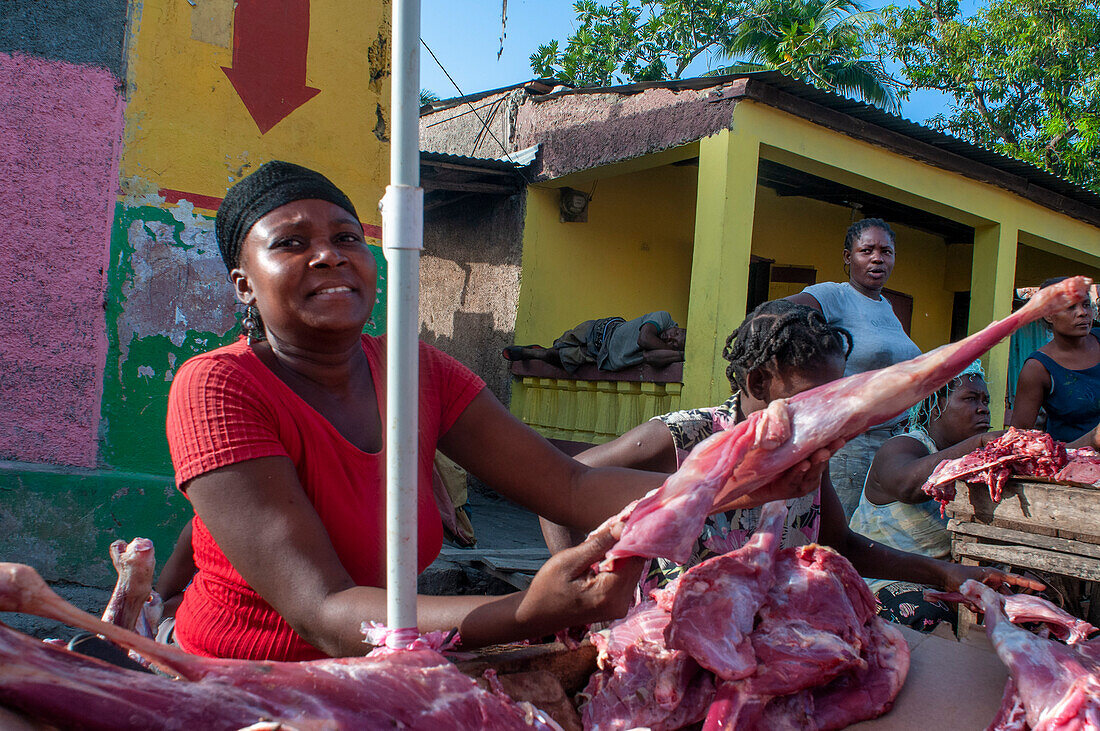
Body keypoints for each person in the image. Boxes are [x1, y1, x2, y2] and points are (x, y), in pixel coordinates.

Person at [164, 161, 832, 662]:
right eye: (290, 243)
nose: (328, 254)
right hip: (244, 678)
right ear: (243, 283)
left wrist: (738, 485)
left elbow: (569, 485)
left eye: (346, 236)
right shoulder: (218, 388)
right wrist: (523, 611)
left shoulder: (416, 369)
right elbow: (323, 608)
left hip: (385, 662)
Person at [547, 300, 1040, 611]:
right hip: (663, 633)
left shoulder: (805, 456)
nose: (828, 418)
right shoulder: (685, 437)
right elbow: (559, 487)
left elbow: (841, 541)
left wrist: (944, 573)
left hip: (759, 635)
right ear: (759, 383)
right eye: (813, 402)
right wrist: (577, 591)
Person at [851, 361, 1002, 631]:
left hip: (948, 579)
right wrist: (978, 444)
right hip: (882, 581)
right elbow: (907, 486)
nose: (983, 408)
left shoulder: (976, 462)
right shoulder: (903, 446)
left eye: (985, 400)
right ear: (935, 406)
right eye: (970, 398)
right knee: (928, 619)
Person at [787, 218, 921, 520]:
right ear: (848, 257)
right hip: (850, 448)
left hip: (891, 446)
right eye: (867, 250)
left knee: (871, 534)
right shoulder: (835, 295)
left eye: (886, 251)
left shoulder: (886, 307)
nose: (877, 258)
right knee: (839, 534)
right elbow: (778, 315)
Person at [1011, 276, 1100, 442]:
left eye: (1086, 304)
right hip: (1074, 463)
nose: (1082, 313)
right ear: (1048, 315)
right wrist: (1091, 441)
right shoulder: (1038, 368)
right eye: (1070, 307)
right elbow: (1019, 439)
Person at [503, 312, 686, 372]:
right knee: (559, 344)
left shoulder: (665, 352)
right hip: (600, 330)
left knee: (557, 357)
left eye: (674, 343)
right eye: (675, 332)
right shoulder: (664, 317)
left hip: (598, 355)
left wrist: (678, 355)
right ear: (676, 325)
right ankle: (536, 350)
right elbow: (644, 339)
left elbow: (650, 356)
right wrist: (675, 351)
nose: (670, 337)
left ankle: (532, 353)